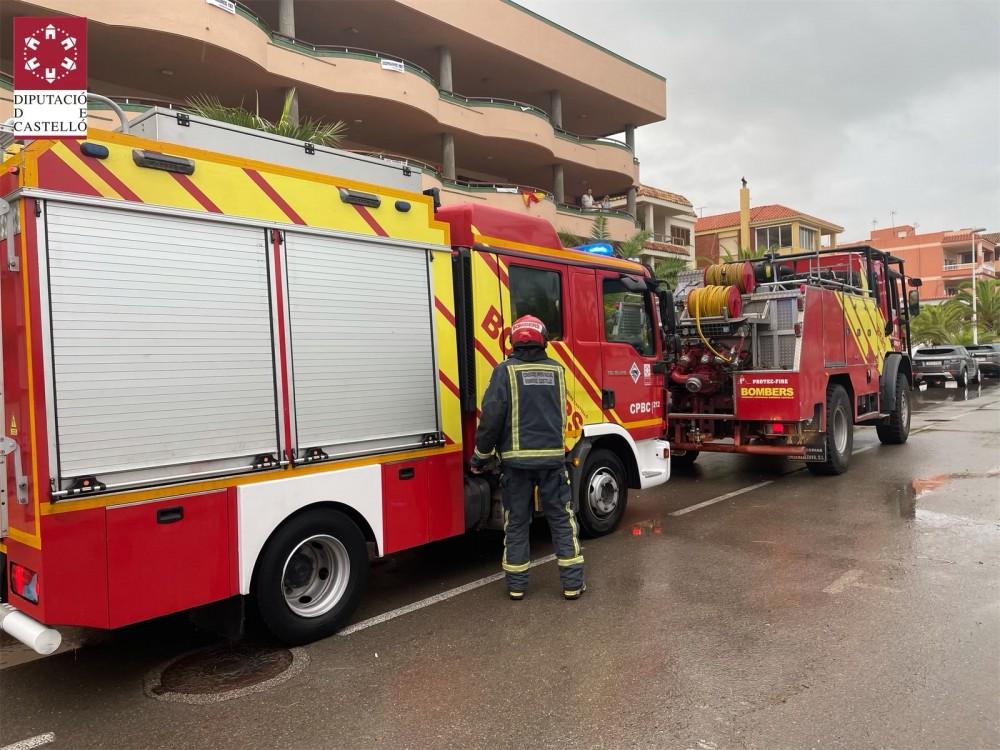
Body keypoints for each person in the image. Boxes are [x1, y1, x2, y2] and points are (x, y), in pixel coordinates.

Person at [470, 315, 585, 600]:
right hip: (552, 463)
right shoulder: (557, 370)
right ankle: (572, 585)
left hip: (516, 465)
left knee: (517, 523)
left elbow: (492, 418)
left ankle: (517, 586)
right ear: (543, 339)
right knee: (562, 521)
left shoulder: (504, 371)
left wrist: (480, 457)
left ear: (514, 341)